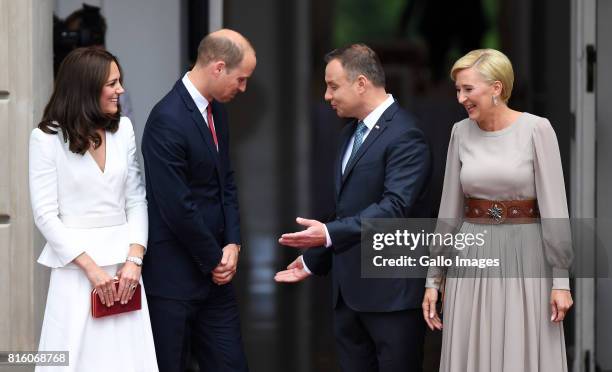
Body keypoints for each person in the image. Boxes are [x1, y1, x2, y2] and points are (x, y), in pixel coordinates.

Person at [275, 44, 432, 372]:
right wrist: (313, 259)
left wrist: (328, 233)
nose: (326, 96)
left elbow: (394, 208)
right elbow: (349, 208)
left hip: (391, 296)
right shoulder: (349, 133)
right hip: (348, 297)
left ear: (361, 83)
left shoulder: (406, 135)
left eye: (333, 86)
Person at [421, 49, 574, 372]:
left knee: (521, 351)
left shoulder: (537, 129)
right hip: (471, 257)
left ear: (496, 88)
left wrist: (561, 281)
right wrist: (433, 280)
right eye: (458, 90)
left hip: (525, 255)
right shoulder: (459, 132)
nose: (461, 98)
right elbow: (448, 212)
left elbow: (555, 210)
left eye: (468, 89)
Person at [30, 47, 158, 372]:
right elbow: (45, 214)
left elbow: (136, 199)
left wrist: (134, 259)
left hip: (125, 273)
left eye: (120, 81)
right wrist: (91, 269)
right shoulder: (45, 139)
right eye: (112, 83)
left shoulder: (123, 129)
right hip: (76, 271)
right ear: (87, 87)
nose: (121, 90)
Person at [141, 29, 255, 372]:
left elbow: (227, 183)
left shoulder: (216, 111)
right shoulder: (166, 119)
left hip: (215, 279)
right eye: (241, 79)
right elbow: (177, 206)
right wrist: (215, 258)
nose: (243, 88)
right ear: (218, 68)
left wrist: (233, 242)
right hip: (174, 278)